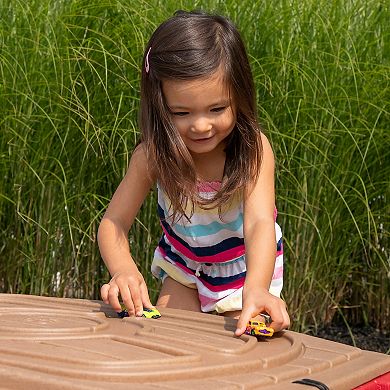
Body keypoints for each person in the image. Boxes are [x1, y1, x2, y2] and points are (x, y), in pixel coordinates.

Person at [98, 10, 290, 336]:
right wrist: (124, 271)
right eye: (181, 112)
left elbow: (260, 223)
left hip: (247, 272)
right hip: (184, 271)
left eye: (217, 109)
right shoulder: (153, 155)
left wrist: (257, 288)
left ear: (239, 97)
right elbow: (112, 222)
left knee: (243, 355)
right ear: (159, 106)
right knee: (163, 340)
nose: (201, 125)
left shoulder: (252, 150)